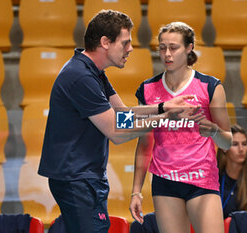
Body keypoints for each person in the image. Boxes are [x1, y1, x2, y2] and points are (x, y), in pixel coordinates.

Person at [38, 10, 198, 233]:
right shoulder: (80, 76)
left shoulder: (93, 72)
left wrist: (163, 107)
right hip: (76, 179)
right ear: (105, 42)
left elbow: (122, 113)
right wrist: (165, 118)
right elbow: (117, 131)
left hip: (86, 176)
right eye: (125, 43)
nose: (130, 48)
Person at [129, 22, 232, 233]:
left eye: (173, 48)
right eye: (162, 47)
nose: (166, 54)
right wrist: (136, 191)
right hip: (165, 182)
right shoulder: (148, 90)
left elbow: (228, 142)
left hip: (201, 180)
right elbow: (144, 145)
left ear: (189, 47)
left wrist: (212, 131)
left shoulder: (210, 87)